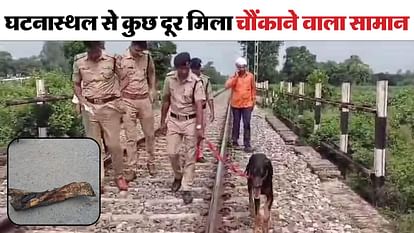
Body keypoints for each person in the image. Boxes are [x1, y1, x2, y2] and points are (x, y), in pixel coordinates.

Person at [72, 41, 128, 192]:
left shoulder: (113, 59)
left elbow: (125, 78)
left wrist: (119, 94)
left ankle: (119, 176)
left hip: (110, 107)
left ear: (100, 47)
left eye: (95, 49)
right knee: (93, 145)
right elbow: (76, 83)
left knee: (114, 145)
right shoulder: (79, 61)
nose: (93, 53)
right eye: (90, 49)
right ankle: (98, 180)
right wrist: (82, 101)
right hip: (90, 108)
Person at [160, 52, 205, 204]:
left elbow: (199, 105)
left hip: (190, 121)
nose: (183, 72)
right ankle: (178, 176)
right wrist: (162, 121)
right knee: (172, 152)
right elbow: (165, 100)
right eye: (180, 69)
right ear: (177, 68)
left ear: (188, 66)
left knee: (190, 155)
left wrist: (199, 127)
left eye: (186, 68)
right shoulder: (169, 79)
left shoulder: (196, 82)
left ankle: (187, 188)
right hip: (173, 119)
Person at [116, 41, 156, 175]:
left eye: (142, 51)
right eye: (138, 50)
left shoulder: (147, 57)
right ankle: (132, 168)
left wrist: (152, 91)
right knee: (131, 137)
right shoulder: (121, 59)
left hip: (144, 100)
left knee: (150, 134)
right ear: (132, 46)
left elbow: (151, 73)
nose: (140, 53)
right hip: (128, 101)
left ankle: (151, 162)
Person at [224, 57, 256, 153]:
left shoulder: (250, 76)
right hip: (236, 104)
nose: (242, 69)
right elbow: (227, 86)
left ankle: (247, 144)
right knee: (236, 123)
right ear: (237, 67)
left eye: (243, 67)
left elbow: (253, 89)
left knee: (247, 124)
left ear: (246, 67)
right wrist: (235, 77)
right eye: (240, 67)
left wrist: (253, 101)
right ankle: (235, 141)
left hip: (247, 104)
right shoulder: (234, 76)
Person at [190, 57, 215, 163]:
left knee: (201, 133)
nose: (196, 71)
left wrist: (212, 112)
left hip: (202, 109)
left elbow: (210, 96)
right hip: (190, 109)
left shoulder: (205, 80)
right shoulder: (187, 78)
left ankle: (199, 154)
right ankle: (190, 153)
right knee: (190, 133)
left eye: (197, 68)